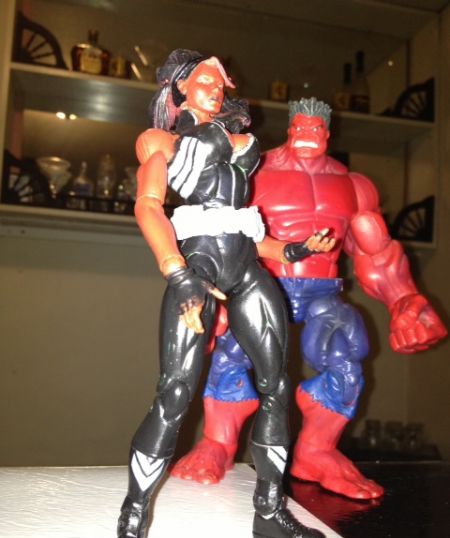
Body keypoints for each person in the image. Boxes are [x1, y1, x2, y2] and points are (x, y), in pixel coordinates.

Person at [106, 54, 333, 538]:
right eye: (202, 79)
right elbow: (148, 206)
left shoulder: (238, 143)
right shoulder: (161, 141)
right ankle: (130, 530)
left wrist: (294, 249)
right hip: (198, 267)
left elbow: (244, 228)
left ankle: (269, 512)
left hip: (246, 266)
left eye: (219, 80)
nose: (214, 86)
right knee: (174, 394)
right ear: (179, 89)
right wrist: (178, 273)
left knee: (277, 385)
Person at [171, 97, 447, 500]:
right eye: (299, 127)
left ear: (327, 133)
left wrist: (404, 299)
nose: (306, 135)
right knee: (232, 355)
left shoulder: (353, 185)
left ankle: (317, 452)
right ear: (289, 128)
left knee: (346, 359)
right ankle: (217, 443)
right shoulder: (254, 170)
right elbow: (219, 228)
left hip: (323, 290)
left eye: (315, 129)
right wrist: (211, 289)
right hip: (261, 282)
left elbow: (374, 250)